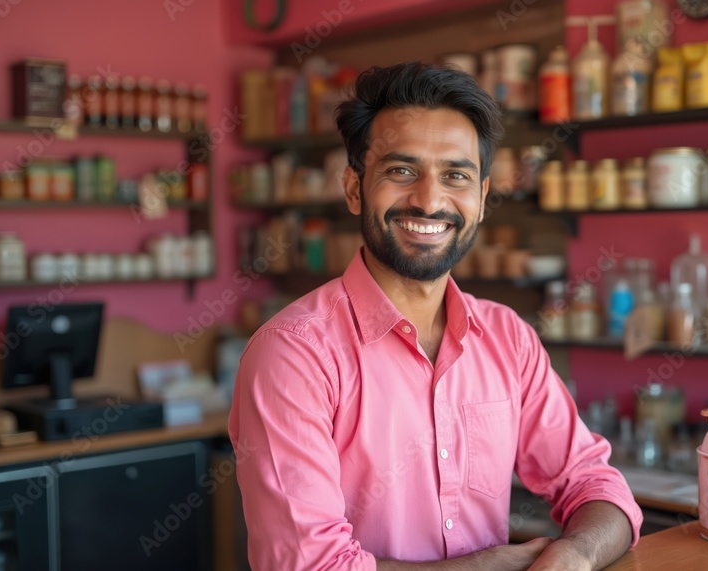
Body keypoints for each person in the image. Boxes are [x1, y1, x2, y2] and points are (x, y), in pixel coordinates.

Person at [229, 61, 643, 571]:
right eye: (401, 171)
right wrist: (482, 567)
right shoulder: (294, 353)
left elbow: (595, 484)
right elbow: (311, 565)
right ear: (355, 187)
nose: (429, 200)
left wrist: (576, 553)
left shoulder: (508, 338)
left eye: (456, 176)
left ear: (482, 199)